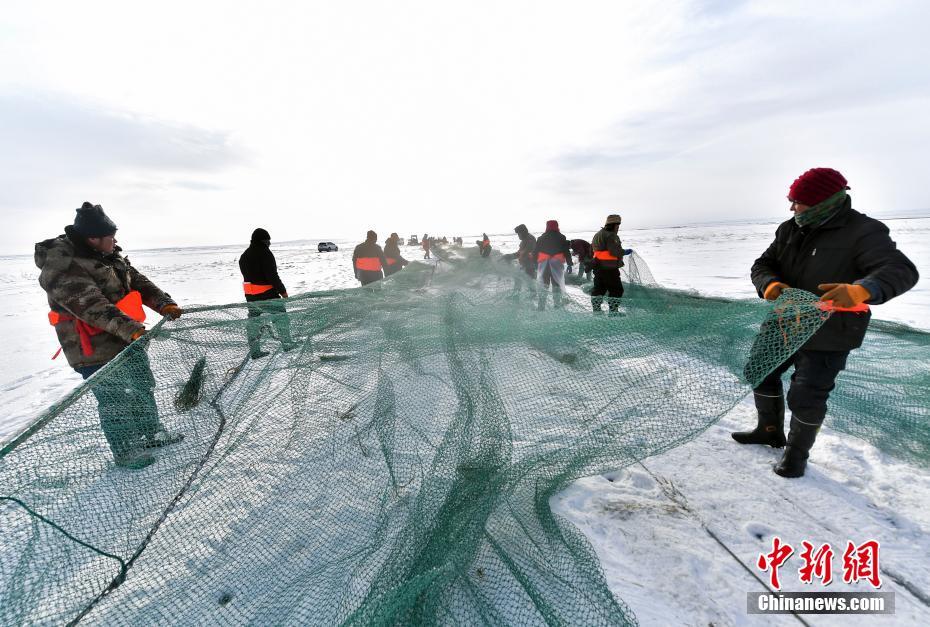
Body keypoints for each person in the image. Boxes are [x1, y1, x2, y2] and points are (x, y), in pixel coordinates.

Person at [735, 167, 919, 478]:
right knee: (759, 370)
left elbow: (901, 270)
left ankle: (796, 456)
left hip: (831, 329)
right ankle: (769, 430)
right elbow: (762, 264)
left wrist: (862, 289)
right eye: (791, 200)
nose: (792, 208)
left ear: (824, 201)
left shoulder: (864, 231)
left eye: (798, 202)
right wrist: (769, 284)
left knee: (806, 395)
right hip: (785, 320)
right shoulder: (789, 229)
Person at [36, 202, 184, 469]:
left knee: (142, 386)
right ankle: (126, 451)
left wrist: (163, 303)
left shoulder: (108, 254)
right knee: (117, 398)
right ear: (93, 238)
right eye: (110, 236)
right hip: (93, 347)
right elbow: (91, 305)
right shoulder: (63, 265)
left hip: (127, 338)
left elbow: (137, 280)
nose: (115, 241)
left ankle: (151, 434)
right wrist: (132, 329)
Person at [238, 228, 297, 359]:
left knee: (254, 323)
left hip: (250, 296)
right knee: (281, 318)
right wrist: (283, 291)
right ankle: (287, 344)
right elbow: (272, 276)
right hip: (267, 294)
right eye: (268, 240)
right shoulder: (265, 253)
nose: (269, 243)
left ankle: (255, 351)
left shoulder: (244, 256)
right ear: (263, 241)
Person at [590, 214, 633, 314]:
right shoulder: (611, 235)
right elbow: (614, 251)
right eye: (618, 225)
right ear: (614, 225)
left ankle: (596, 310)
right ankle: (613, 312)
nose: (618, 227)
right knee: (617, 289)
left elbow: (594, 250)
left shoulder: (598, 234)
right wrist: (624, 252)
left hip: (597, 266)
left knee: (599, 289)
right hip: (609, 268)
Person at [534, 220, 572, 309]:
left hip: (544, 265)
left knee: (544, 285)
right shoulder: (561, 237)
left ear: (547, 226)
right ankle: (557, 306)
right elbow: (566, 251)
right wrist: (569, 264)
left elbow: (535, 252)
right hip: (557, 264)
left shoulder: (540, 238)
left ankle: (541, 306)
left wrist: (535, 264)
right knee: (556, 285)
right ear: (556, 226)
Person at [503, 224, 538, 296]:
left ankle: (531, 298)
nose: (518, 236)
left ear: (523, 232)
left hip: (530, 266)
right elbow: (520, 253)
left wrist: (511, 256)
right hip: (524, 265)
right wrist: (510, 256)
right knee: (518, 279)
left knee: (530, 283)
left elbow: (525, 252)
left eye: (519, 234)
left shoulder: (530, 239)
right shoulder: (525, 240)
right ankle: (516, 295)